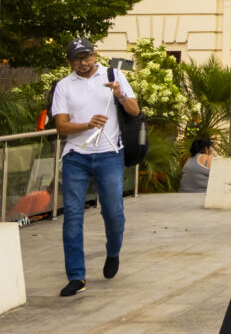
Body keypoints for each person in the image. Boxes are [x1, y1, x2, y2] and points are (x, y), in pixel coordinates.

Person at [49, 38, 140, 297]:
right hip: (76, 156)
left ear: (94, 54)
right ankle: (76, 277)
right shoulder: (64, 86)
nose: (83, 62)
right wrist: (87, 125)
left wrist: (120, 95)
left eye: (86, 56)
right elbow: (61, 127)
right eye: (77, 58)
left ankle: (113, 252)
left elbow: (134, 112)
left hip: (110, 154)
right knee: (73, 217)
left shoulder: (114, 75)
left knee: (113, 212)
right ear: (69, 62)